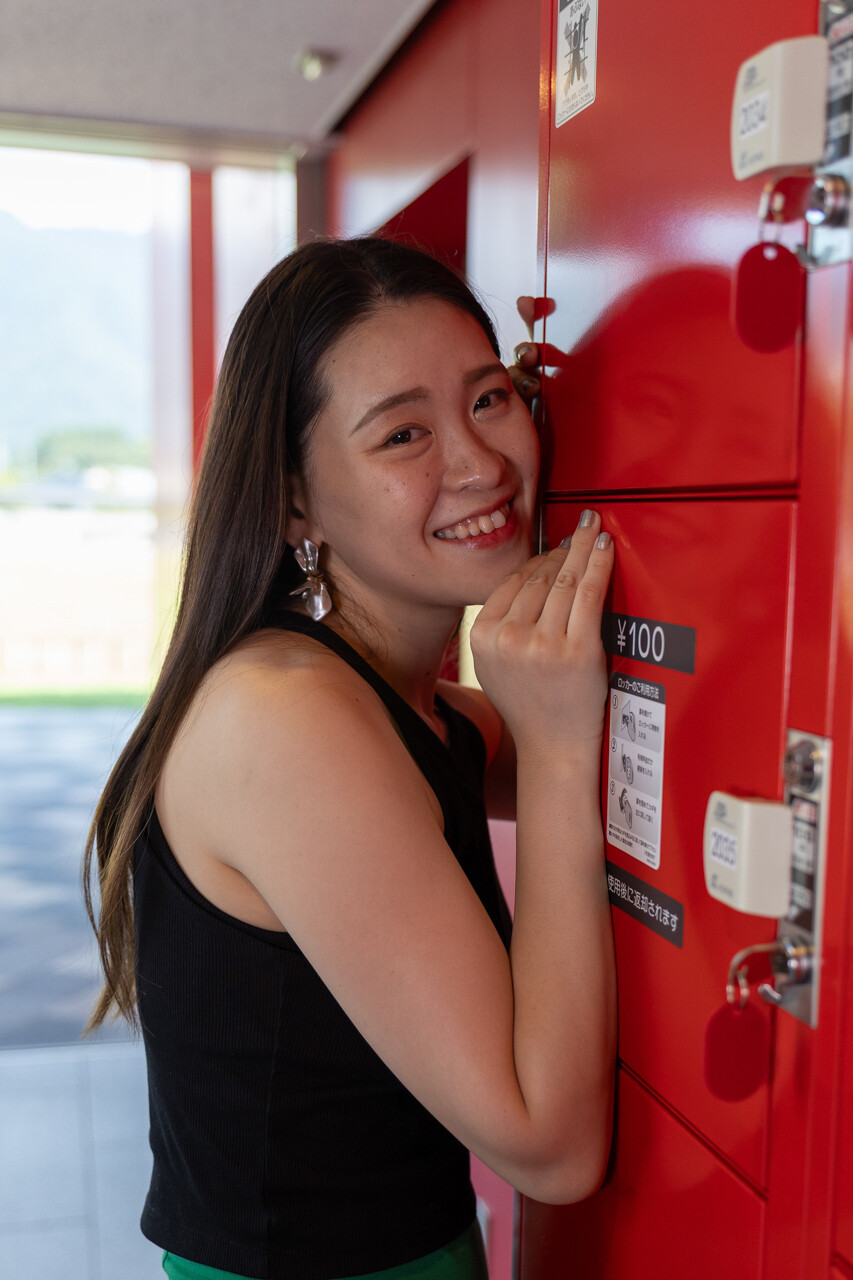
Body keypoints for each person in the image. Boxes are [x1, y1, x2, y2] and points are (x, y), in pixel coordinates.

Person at [83, 237, 616, 1280]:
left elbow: (625, 759)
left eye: (490, 399)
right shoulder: (284, 718)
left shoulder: (397, 702)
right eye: (403, 433)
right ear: (294, 501)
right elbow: (551, 1147)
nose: (479, 463)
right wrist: (556, 751)